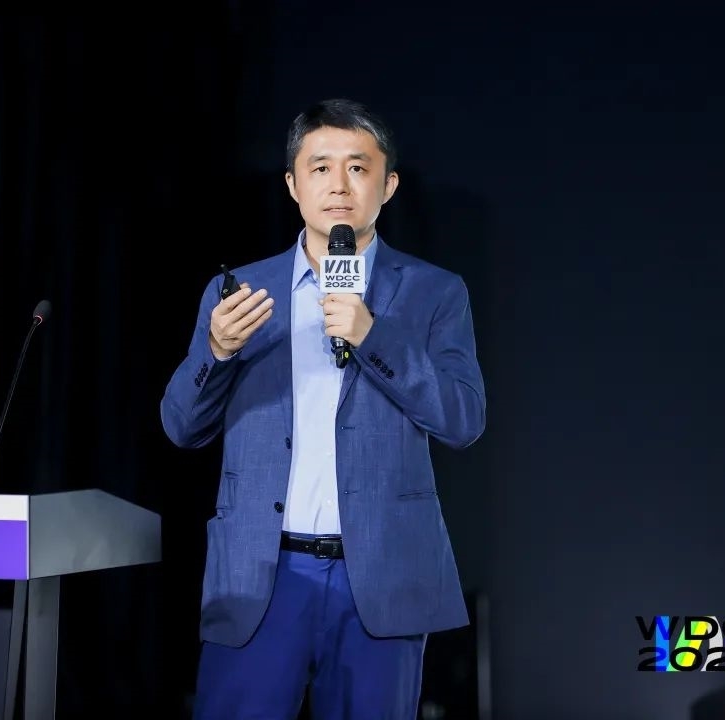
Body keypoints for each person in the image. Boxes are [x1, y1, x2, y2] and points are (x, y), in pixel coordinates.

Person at [160, 97, 486, 720]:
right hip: (262, 572)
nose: (339, 185)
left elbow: (463, 420)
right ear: (292, 184)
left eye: (358, 168)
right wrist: (217, 352)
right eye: (320, 167)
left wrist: (373, 337)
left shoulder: (435, 291)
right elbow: (181, 426)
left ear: (388, 185)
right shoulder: (241, 293)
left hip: (382, 577)